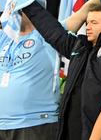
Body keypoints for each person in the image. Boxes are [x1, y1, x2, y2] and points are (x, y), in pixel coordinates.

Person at [22, 0, 101, 140]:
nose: (88, 27)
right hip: (69, 131)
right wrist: (26, 3)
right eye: (87, 23)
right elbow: (51, 29)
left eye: (94, 23)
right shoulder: (78, 46)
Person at [0, 9, 59, 139]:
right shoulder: (4, 37)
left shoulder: (49, 34)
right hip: (3, 124)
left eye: (20, 10)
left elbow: (81, 14)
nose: (14, 13)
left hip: (36, 122)